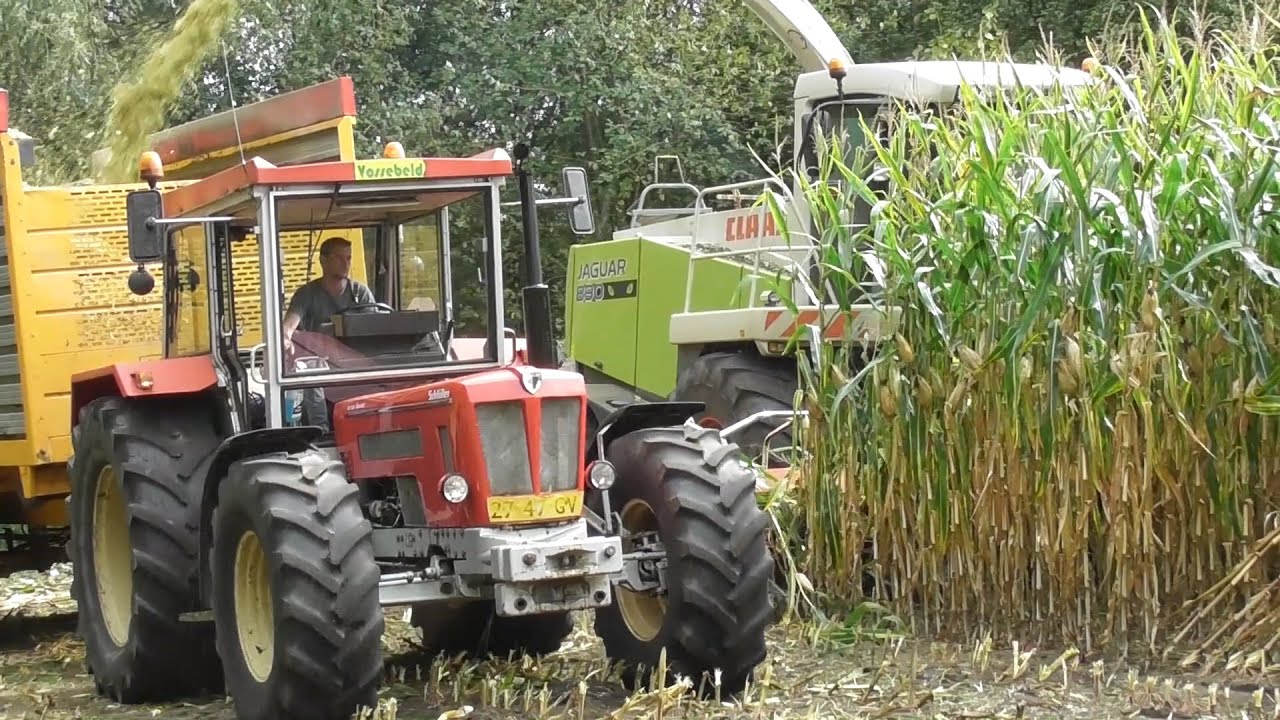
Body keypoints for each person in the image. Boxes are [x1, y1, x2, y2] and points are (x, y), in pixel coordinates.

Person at [281, 236, 377, 430]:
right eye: (339, 258)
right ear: (323, 261)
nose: (346, 263)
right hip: (320, 363)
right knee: (311, 373)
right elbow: (291, 322)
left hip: (354, 362)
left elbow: (376, 330)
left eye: (349, 258)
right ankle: (321, 432)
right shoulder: (307, 294)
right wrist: (285, 336)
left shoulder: (361, 292)